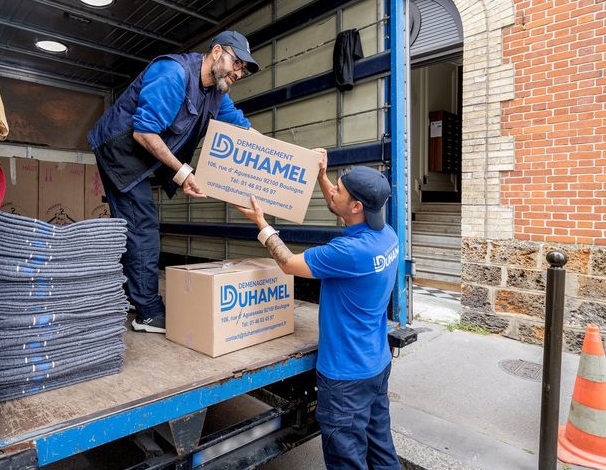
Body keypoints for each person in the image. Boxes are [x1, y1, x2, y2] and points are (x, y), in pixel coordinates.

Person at [235, 155, 400, 470]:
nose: (332, 193)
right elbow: (340, 205)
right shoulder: (386, 236)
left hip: (345, 379)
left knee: (347, 460)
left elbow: (287, 264)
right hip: (376, 365)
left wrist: (261, 222)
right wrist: (322, 175)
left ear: (356, 207)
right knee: (381, 451)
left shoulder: (348, 253)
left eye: (337, 190)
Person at [88, 31, 259, 333]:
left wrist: (293, 159)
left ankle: (132, 294)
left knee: (133, 224)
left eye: (243, 69)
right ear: (217, 51)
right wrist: (183, 173)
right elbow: (143, 133)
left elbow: (244, 131)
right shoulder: (173, 73)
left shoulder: (218, 93)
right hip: (120, 149)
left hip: (144, 153)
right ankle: (148, 312)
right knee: (142, 225)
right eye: (237, 63)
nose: (239, 72)